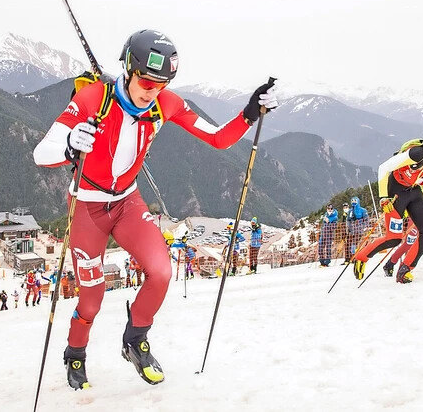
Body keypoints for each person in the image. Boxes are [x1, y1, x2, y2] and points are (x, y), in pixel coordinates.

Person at [32, 29, 278, 389]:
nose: (153, 90)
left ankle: (135, 340)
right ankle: (75, 353)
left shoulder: (166, 103)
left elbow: (218, 138)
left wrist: (251, 112)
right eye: (147, 80)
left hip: (127, 202)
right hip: (87, 205)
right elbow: (42, 152)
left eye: (162, 83)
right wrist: (70, 145)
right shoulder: (92, 98)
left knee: (162, 271)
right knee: (92, 299)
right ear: (129, 70)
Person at [353, 122, 423, 284]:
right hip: (394, 191)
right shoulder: (419, 153)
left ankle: (405, 270)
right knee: (394, 239)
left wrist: (420, 209)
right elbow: (384, 168)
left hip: (413, 191)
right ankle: (361, 257)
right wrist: (383, 197)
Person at [343, 197, 369, 265]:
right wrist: (348, 227)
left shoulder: (362, 210)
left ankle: (354, 257)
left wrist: (363, 226)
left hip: (359, 230)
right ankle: (348, 258)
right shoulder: (350, 211)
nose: (353, 203)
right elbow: (348, 220)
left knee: (354, 243)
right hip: (351, 230)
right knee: (348, 243)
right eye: (352, 201)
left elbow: (366, 220)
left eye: (355, 201)